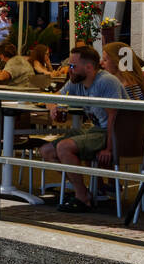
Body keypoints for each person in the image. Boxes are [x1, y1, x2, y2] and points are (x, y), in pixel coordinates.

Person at [39, 46, 126, 212]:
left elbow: (114, 117)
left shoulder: (106, 81)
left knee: (64, 147)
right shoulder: (76, 82)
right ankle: (85, 191)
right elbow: (53, 96)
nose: (69, 70)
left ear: (89, 67)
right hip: (96, 131)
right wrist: (53, 107)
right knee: (46, 150)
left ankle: (82, 197)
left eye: (73, 66)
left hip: (117, 134)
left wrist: (109, 148)